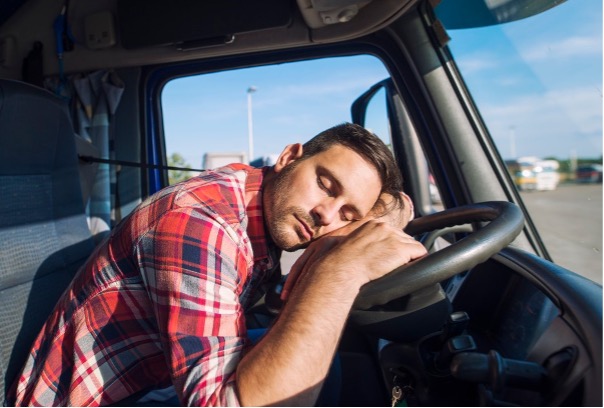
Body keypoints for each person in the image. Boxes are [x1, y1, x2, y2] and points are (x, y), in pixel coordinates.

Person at [8, 123, 427, 407]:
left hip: (152, 374)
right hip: (99, 399)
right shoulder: (202, 224)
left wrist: (354, 231)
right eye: (324, 183)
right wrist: (340, 271)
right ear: (289, 156)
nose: (326, 215)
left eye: (349, 214)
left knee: (332, 366)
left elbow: (401, 205)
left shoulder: (260, 197)